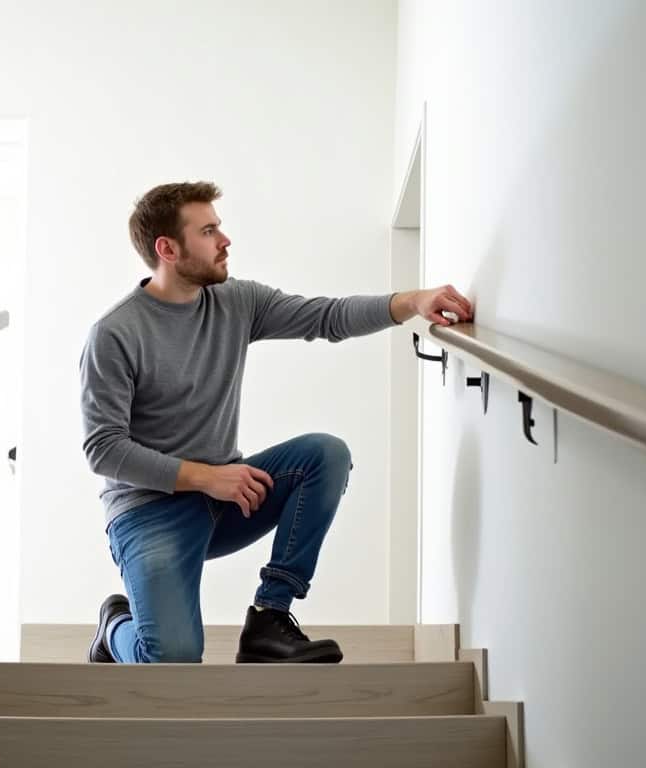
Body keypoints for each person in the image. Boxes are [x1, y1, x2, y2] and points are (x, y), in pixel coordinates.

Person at [79, 181, 473, 664]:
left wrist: (411, 302)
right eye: (208, 231)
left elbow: (327, 317)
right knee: (171, 662)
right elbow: (103, 448)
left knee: (324, 454)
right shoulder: (115, 333)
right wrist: (208, 477)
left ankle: (270, 617)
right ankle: (114, 627)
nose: (225, 241)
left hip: (223, 500)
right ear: (168, 249)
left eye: (219, 228)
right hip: (147, 513)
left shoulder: (237, 303)